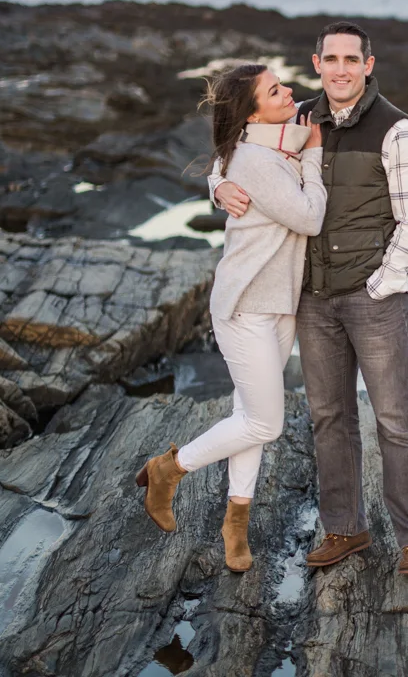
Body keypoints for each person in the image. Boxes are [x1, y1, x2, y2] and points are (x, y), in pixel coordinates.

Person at [211, 21, 408, 579]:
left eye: (350, 60)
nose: (339, 69)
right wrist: (216, 185)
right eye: (329, 58)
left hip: (374, 297)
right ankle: (344, 528)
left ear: (368, 64)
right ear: (316, 63)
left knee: (395, 420)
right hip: (311, 299)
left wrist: (384, 285)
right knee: (329, 418)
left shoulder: (399, 131)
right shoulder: (297, 118)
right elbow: (235, 151)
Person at [136, 63, 325, 572]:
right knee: (265, 421)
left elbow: (231, 162)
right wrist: (315, 156)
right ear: (251, 111)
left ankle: (234, 526)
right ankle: (168, 469)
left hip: (279, 301)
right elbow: (308, 217)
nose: (289, 92)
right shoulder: (262, 155)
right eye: (275, 89)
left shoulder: (278, 134)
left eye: (283, 84)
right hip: (244, 306)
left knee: (249, 418)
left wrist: (218, 182)